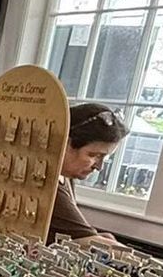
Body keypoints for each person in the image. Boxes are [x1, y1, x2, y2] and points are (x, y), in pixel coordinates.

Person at [50, 102, 127, 247]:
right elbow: (86, 241)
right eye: (94, 155)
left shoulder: (65, 176)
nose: (99, 167)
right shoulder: (49, 185)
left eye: (105, 158)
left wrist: (94, 236)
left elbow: (83, 236)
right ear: (65, 145)